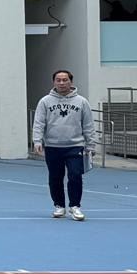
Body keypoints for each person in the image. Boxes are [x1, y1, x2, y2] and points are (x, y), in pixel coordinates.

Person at [32, 69, 96, 220]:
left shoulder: (81, 102)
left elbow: (88, 124)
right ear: (54, 82)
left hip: (75, 146)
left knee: (75, 175)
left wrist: (91, 145)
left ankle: (75, 206)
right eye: (58, 80)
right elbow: (39, 122)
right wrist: (37, 140)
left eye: (65, 80)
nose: (61, 83)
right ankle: (59, 205)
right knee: (55, 177)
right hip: (53, 146)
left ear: (71, 82)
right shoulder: (45, 101)